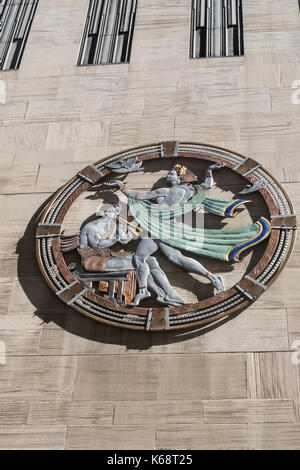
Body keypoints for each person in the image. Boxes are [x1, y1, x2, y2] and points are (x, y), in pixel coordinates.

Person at [78, 203, 185, 307]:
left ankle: (168, 294)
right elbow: (97, 246)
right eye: (113, 212)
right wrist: (115, 238)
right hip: (93, 259)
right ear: (105, 213)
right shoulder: (92, 227)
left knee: (150, 260)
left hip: (108, 255)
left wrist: (134, 224)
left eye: (117, 212)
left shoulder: (115, 224)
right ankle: (145, 291)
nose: (116, 214)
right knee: (138, 261)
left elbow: (125, 239)